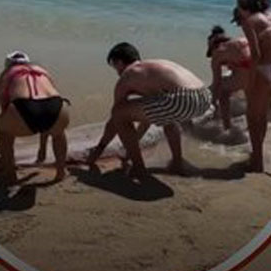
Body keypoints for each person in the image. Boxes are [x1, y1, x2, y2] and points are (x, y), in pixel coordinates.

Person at [86, 42, 211, 179]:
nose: (116, 71)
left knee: (119, 112)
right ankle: (177, 162)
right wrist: (132, 145)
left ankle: (139, 168)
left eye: (114, 66)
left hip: (181, 99)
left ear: (119, 62)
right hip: (203, 96)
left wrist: (99, 149)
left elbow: (115, 120)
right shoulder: (150, 70)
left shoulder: (129, 74)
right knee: (167, 117)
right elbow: (150, 118)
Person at [0, 51, 70, 185]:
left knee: (0, 126)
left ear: (8, 66)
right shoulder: (42, 71)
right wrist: (42, 149)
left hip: (23, 109)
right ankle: (60, 172)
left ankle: (10, 172)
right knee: (58, 133)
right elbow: (44, 106)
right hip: (58, 107)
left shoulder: (7, 75)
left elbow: (5, 110)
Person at [234, 0, 271, 172]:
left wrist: (249, 80)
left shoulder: (250, 21)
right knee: (262, 114)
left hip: (265, 69)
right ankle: (257, 156)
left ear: (242, 2)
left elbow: (255, 54)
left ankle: (257, 162)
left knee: (251, 115)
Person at [207, 24, 252, 131]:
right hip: (262, 73)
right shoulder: (241, 40)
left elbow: (216, 83)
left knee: (223, 90)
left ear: (213, 46)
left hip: (247, 74)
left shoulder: (218, 53)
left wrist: (212, 104)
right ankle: (252, 124)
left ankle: (227, 127)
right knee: (244, 86)